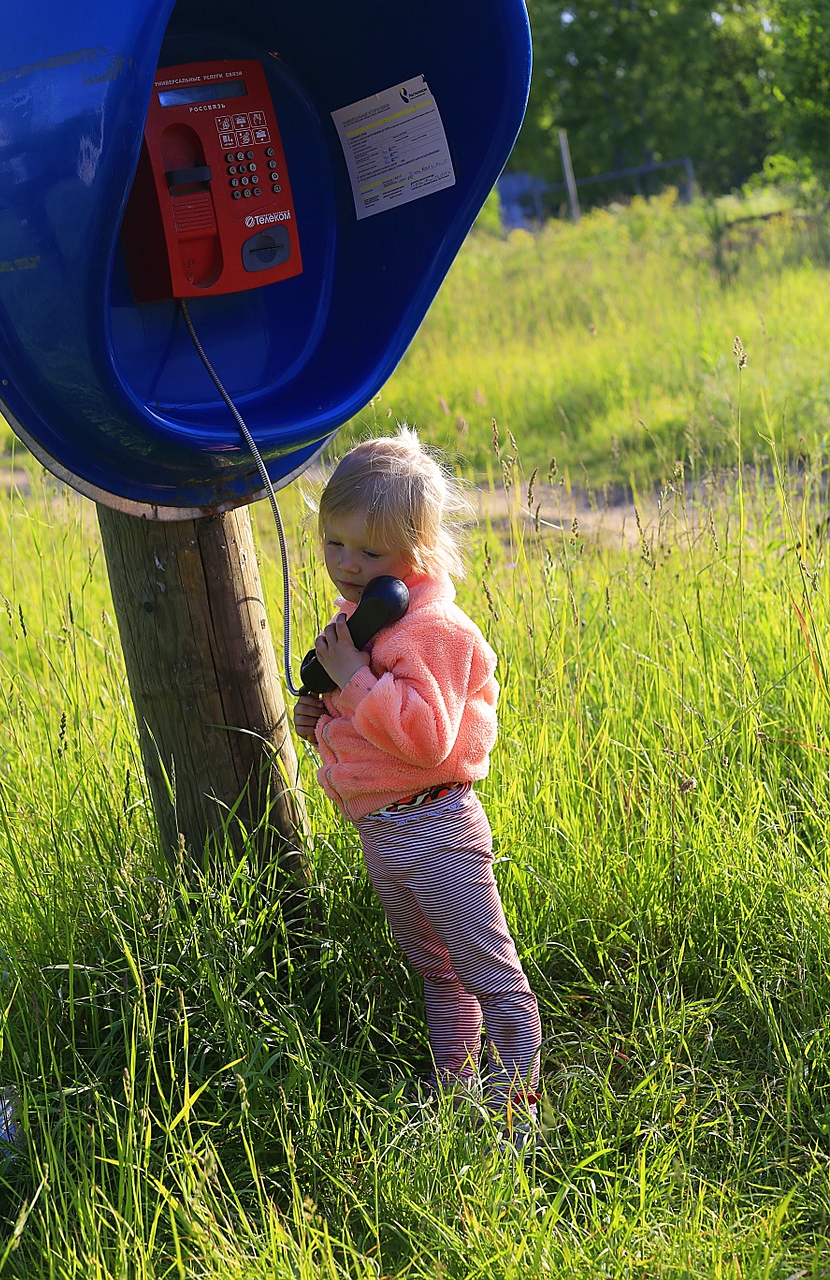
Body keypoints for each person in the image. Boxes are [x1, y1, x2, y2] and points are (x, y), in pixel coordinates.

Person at [293, 428, 542, 1144]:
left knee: (494, 982)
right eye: (334, 542)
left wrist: (354, 682)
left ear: (418, 549)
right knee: (438, 975)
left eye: (370, 553)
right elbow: (375, 724)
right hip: (387, 836)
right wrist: (325, 713)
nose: (346, 564)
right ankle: (453, 1103)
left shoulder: (431, 628)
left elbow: (427, 738)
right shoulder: (364, 622)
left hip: (435, 830)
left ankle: (515, 1125)